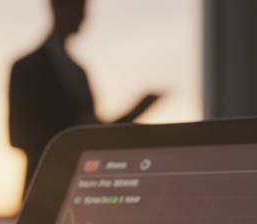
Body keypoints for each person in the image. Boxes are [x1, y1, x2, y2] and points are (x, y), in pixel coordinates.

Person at [9, 0, 160, 196]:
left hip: (84, 189)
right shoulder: (27, 67)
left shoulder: (79, 72)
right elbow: (19, 135)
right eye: (79, 9)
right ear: (57, 8)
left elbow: (93, 133)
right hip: (43, 192)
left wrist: (130, 116)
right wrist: (75, 128)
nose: (84, 17)